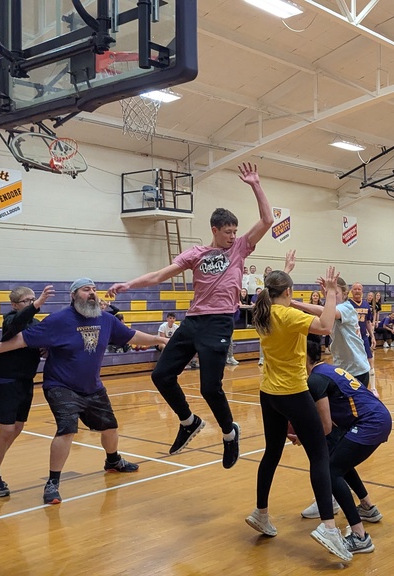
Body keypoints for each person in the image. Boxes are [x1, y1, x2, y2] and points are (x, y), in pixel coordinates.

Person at [108, 162, 273, 467]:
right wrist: (128, 284)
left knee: (210, 387)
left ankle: (229, 434)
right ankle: (188, 422)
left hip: (220, 321)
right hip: (193, 321)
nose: (231, 235)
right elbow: (160, 274)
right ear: (214, 230)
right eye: (227, 231)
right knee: (160, 374)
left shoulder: (238, 249)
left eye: (234, 231)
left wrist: (255, 185)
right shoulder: (195, 253)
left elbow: (267, 219)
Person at [0, 278, 170, 505]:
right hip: (60, 385)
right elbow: (19, 340)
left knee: (110, 427)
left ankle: (113, 461)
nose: (91, 293)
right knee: (66, 429)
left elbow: (132, 336)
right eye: (85, 289)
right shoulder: (58, 320)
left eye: (94, 289)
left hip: (91, 386)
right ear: (73, 295)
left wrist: (159, 339)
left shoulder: (106, 320)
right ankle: (52, 482)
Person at [244, 266, 354, 563]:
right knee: (320, 456)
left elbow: (276, 291)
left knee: (271, 453)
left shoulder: (262, 312)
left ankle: (261, 513)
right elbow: (326, 326)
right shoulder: (287, 315)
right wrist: (331, 293)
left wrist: (286, 270)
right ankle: (329, 528)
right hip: (292, 392)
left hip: (268, 393)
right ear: (289, 292)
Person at [291, 340, 390, 554]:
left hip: (369, 423)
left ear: (302, 357)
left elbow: (325, 427)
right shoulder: (328, 369)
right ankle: (367, 508)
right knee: (340, 462)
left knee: (330, 470)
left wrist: (303, 435)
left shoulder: (315, 380)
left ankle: (360, 537)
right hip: (375, 418)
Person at [0, 284, 54, 498]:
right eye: (27, 301)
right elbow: (17, 324)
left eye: (32, 299)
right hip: (6, 380)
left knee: (17, 428)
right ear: (15, 305)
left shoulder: (36, 324)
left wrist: (44, 350)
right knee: (6, 430)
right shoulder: (10, 320)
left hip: (25, 381)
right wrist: (37, 305)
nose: (31, 303)